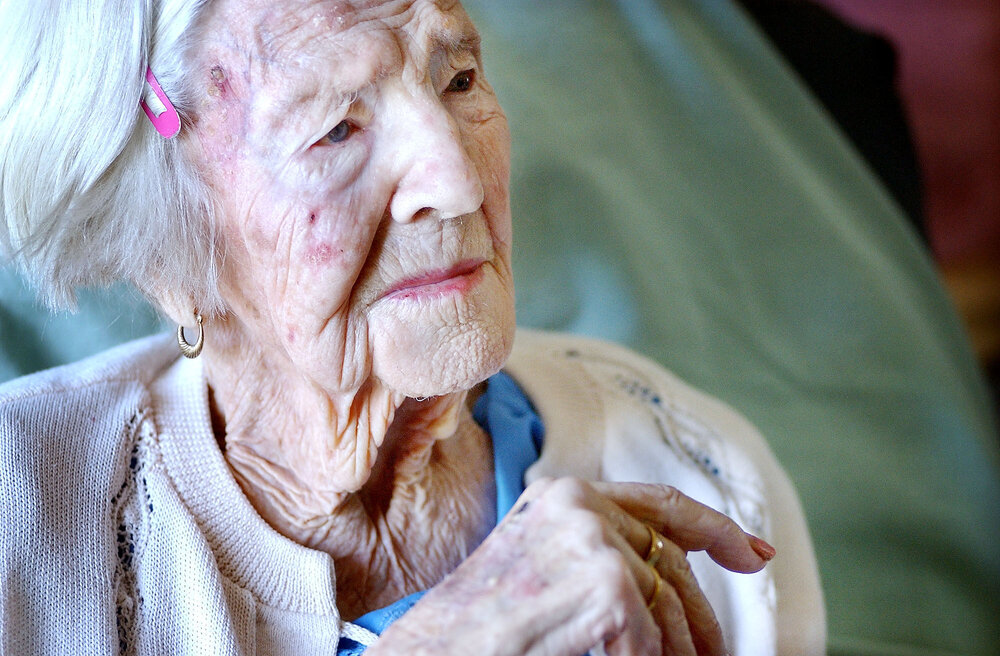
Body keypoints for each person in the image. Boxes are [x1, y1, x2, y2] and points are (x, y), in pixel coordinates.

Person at [0, 0, 824, 654]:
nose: (458, 181)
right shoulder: (23, 520)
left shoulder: (698, 475)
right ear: (168, 260)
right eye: (335, 129)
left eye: (459, 80)